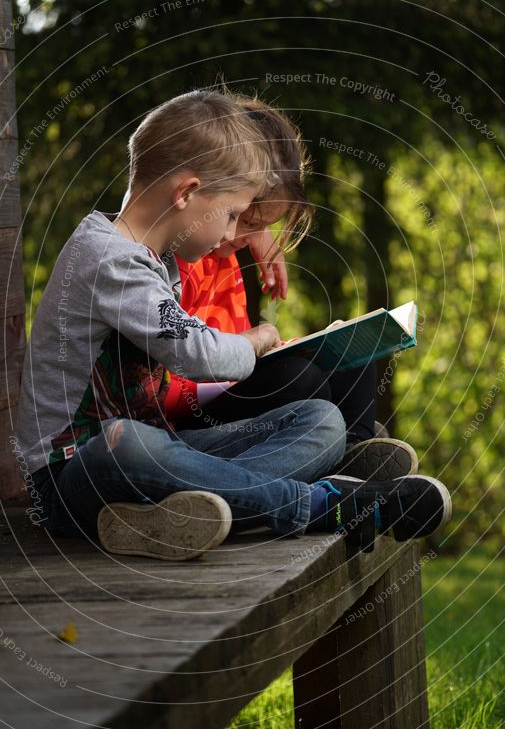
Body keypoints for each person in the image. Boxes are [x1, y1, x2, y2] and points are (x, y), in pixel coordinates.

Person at [16, 88, 451, 562]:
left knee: (320, 421)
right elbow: (195, 354)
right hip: (71, 476)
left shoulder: (160, 258)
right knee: (127, 442)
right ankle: (326, 503)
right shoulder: (110, 262)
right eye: (231, 216)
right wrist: (257, 339)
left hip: (162, 457)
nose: (232, 236)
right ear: (186, 192)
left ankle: (171, 515)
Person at [165, 99, 418, 481]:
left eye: (257, 224)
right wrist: (255, 350)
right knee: (299, 377)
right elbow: (178, 370)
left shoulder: (223, 252)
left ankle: (352, 455)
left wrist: (282, 347)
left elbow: (230, 345)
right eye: (243, 217)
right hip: (185, 418)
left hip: (222, 387)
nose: (240, 234)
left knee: (356, 350)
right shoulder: (183, 252)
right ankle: (328, 454)